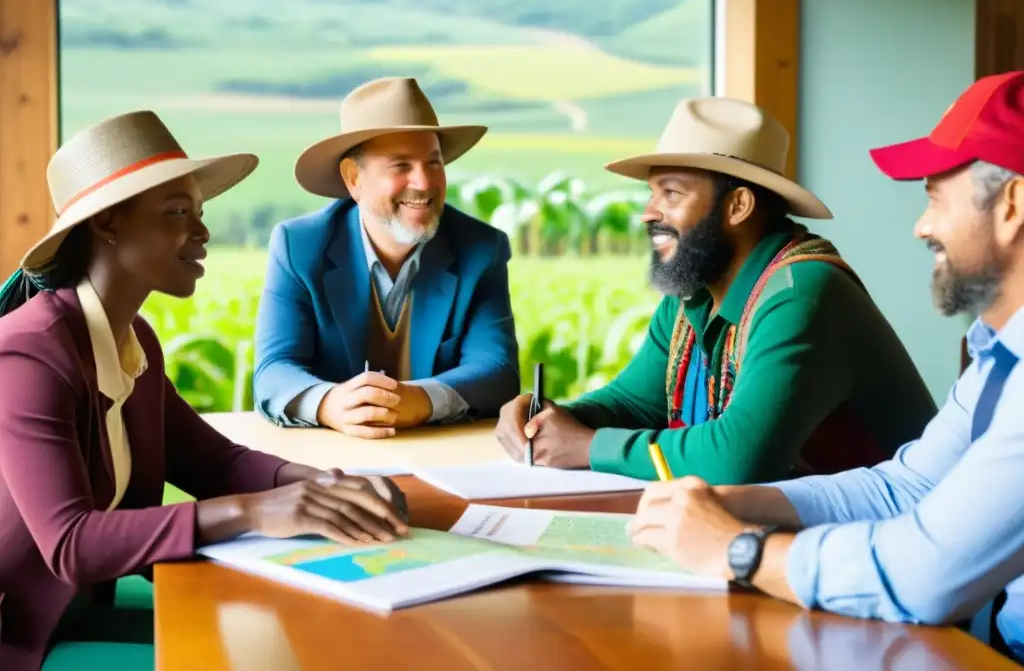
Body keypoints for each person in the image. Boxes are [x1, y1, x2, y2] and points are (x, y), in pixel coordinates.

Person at [627, 71, 1024, 663]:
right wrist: (741, 504)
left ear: (1013, 204)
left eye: (935, 195)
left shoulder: (800, 287)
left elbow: (925, 574)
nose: (921, 225)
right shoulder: (998, 352)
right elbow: (905, 485)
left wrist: (737, 549)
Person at [0, 112, 409, 671]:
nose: (202, 233)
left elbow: (212, 461)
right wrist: (256, 511)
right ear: (108, 225)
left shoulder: (131, 338)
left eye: (199, 213)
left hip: (80, 610)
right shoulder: (29, 354)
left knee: (302, 639)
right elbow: (70, 543)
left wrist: (322, 485)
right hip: (24, 636)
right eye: (176, 214)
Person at [496, 96, 935, 481]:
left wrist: (588, 446)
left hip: (885, 541)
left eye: (671, 193)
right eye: (652, 194)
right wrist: (552, 419)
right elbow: (634, 402)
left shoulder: (800, 292)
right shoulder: (692, 297)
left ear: (738, 206)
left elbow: (738, 459)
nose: (649, 214)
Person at [253, 76, 519, 437]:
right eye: (401, 166)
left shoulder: (481, 248)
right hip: (332, 461)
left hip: (444, 454)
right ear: (353, 178)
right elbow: (273, 371)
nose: (424, 183)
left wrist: (422, 399)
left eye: (434, 163)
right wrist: (330, 403)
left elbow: (498, 370)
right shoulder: (298, 246)